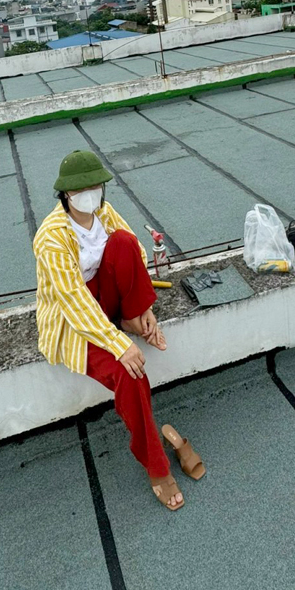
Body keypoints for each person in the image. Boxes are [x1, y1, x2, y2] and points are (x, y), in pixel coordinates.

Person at [32, 148, 205, 510]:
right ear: (65, 193)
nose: (89, 194)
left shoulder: (104, 213)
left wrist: (142, 309)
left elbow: (136, 253)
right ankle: (156, 466)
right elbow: (73, 301)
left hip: (104, 301)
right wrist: (118, 344)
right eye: (81, 189)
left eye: (95, 186)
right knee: (131, 373)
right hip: (74, 323)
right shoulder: (51, 238)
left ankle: (131, 318)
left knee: (124, 242)